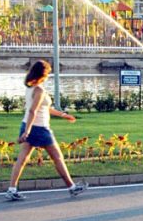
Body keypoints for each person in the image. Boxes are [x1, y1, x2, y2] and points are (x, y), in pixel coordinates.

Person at [5, 60, 87, 201]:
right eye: (48, 73)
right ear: (43, 74)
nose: (49, 75)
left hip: (27, 125)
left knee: (22, 159)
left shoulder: (31, 87)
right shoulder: (39, 90)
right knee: (57, 157)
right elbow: (33, 111)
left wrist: (63, 115)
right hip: (39, 128)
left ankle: (12, 189)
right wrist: (28, 132)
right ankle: (72, 188)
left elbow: (43, 108)